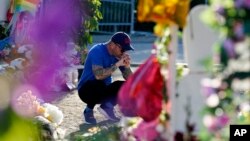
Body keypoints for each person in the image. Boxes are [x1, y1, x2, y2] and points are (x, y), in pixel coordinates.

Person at [77, 32, 134, 124]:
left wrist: (127, 66)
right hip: (86, 91)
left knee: (126, 85)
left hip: (103, 91)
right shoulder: (97, 51)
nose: (124, 52)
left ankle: (107, 107)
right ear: (112, 45)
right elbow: (98, 75)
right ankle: (88, 110)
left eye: (126, 50)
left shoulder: (117, 56)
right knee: (98, 83)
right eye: (122, 49)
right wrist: (118, 64)